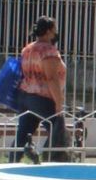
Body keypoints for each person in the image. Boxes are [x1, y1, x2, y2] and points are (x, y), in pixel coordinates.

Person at [13, 16, 68, 163]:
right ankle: (55, 162)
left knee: (23, 133)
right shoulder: (49, 52)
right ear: (49, 31)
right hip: (42, 98)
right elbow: (51, 78)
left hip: (25, 96)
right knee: (57, 129)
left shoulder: (27, 49)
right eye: (54, 29)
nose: (56, 32)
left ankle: (12, 162)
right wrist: (58, 102)